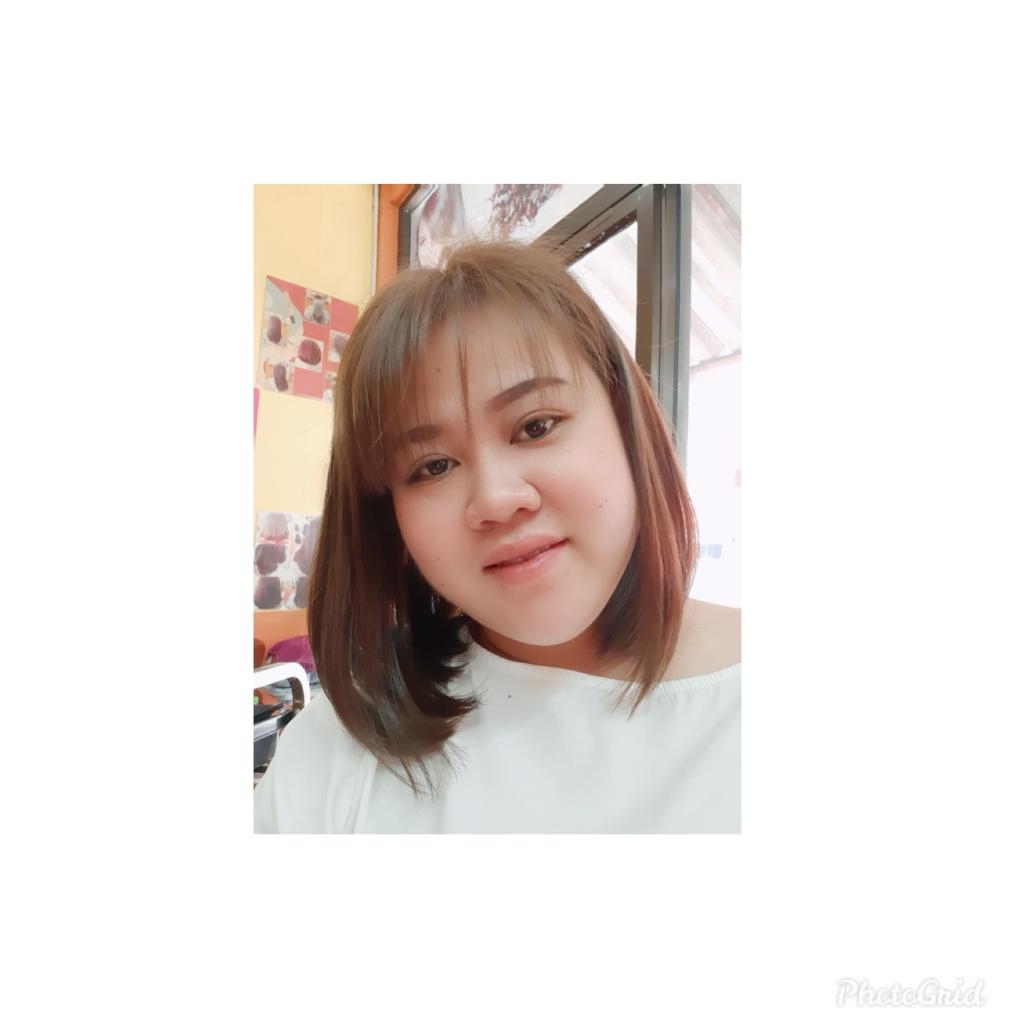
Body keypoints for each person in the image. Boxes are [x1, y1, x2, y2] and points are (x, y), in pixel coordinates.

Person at [253, 241, 740, 833]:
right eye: (433, 466)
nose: (496, 500)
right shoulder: (335, 757)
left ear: (625, 419)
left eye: (536, 426)